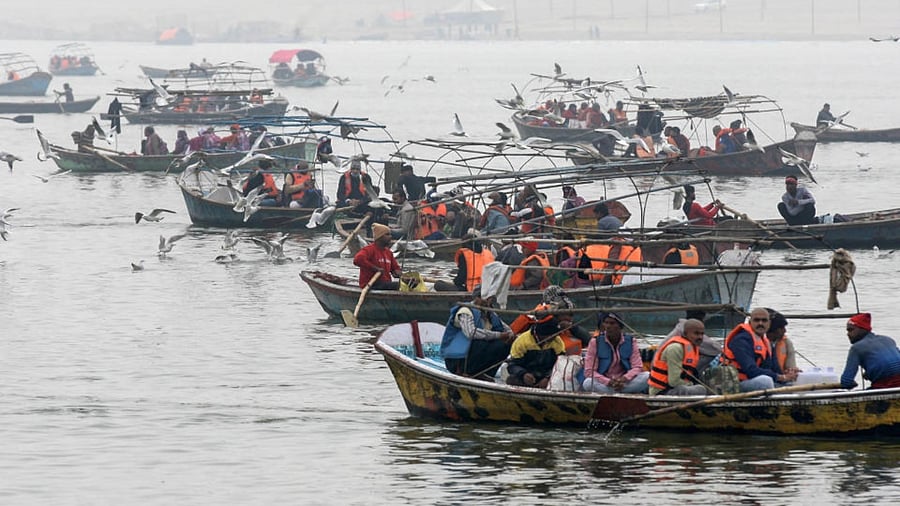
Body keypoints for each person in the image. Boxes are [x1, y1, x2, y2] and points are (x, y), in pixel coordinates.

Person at [440, 285, 514, 380]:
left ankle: (486, 373)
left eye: (490, 298)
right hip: (457, 361)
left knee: (505, 344)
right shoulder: (465, 311)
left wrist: (510, 335)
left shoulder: (490, 313)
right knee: (480, 341)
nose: (488, 301)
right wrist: (498, 335)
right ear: (476, 298)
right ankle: (467, 371)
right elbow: (470, 333)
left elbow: (505, 327)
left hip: (477, 357)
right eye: (485, 298)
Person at [723, 308, 798, 391]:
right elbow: (751, 370)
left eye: (764, 320)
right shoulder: (741, 340)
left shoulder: (766, 341)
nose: (760, 323)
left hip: (756, 379)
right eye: (756, 320)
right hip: (736, 384)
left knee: (795, 382)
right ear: (750, 322)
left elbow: (775, 369)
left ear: (769, 323)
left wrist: (789, 375)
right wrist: (780, 377)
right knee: (765, 382)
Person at [582, 312, 650, 393]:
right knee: (588, 383)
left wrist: (624, 379)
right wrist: (608, 382)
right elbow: (589, 371)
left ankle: (616, 392)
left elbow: (638, 367)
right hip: (605, 383)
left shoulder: (631, 341)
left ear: (620, 326)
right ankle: (619, 392)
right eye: (606, 323)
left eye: (612, 323)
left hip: (625, 383)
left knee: (648, 376)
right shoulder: (595, 342)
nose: (608, 326)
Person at [649, 318, 710, 396]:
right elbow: (674, 381)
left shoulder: (692, 348)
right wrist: (691, 384)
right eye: (696, 333)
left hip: (675, 387)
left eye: (702, 334)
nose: (700, 337)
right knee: (701, 390)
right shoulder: (675, 348)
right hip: (663, 391)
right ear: (685, 333)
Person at [840, 313, 900, 389]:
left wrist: (850, 384)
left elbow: (846, 382)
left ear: (862, 329)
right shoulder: (888, 339)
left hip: (885, 386)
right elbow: (890, 364)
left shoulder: (856, 348)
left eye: (851, 330)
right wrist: (869, 373)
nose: (848, 334)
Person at [507, 316, 567, 388]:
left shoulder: (557, 341)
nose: (554, 337)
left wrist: (548, 378)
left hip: (547, 376)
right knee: (512, 380)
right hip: (526, 377)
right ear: (542, 334)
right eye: (551, 335)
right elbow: (512, 365)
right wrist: (524, 374)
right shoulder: (521, 341)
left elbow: (561, 365)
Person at [352, 223, 401, 290]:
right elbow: (357, 260)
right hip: (370, 285)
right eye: (387, 234)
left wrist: (399, 274)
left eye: (390, 234)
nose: (390, 237)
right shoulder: (369, 250)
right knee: (397, 285)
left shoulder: (388, 253)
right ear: (379, 237)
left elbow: (395, 268)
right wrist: (375, 268)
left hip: (385, 284)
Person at [767, 309, 799, 376]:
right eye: (781, 328)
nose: (785, 331)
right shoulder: (756, 342)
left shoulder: (787, 343)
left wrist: (792, 371)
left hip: (782, 380)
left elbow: (791, 365)